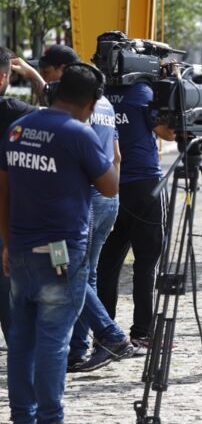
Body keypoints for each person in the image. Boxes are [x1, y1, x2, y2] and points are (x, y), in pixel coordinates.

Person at [0, 63, 118, 424]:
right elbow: (110, 187)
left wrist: (6, 241)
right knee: (54, 340)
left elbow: (3, 189)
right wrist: (114, 155)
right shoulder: (79, 134)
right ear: (89, 102)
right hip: (61, 252)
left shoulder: (19, 128)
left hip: (19, 248)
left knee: (21, 340)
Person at [35, 46, 135, 372]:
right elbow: (116, 156)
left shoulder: (75, 109)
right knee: (85, 274)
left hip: (84, 200)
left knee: (70, 274)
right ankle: (78, 350)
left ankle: (110, 335)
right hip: (109, 197)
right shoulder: (103, 102)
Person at [95, 67, 176, 353]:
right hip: (145, 186)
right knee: (146, 264)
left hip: (109, 185)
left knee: (107, 265)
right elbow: (168, 133)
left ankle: (104, 332)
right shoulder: (143, 92)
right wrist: (173, 88)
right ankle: (143, 333)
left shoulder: (99, 93)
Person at [0, 47, 38, 341]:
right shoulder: (17, 112)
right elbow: (63, 111)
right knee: (8, 281)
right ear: (3, 77)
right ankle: (17, 346)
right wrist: (35, 76)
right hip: (9, 205)